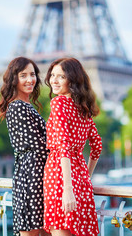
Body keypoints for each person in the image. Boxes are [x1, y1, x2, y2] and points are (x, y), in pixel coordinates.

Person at [43, 57, 103, 236]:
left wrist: (67, 188)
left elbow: (63, 145)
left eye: (61, 77)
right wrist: (86, 178)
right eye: (52, 75)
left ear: (72, 80)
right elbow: (97, 146)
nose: (54, 80)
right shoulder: (83, 108)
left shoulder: (59, 103)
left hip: (59, 178)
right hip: (81, 179)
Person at [0, 57, 50, 236]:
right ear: (14, 79)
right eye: (23, 75)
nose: (30, 79)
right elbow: (40, 147)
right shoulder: (19, 107)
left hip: (32, 174)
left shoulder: (25, 105)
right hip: (33, 177)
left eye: (32, 74)